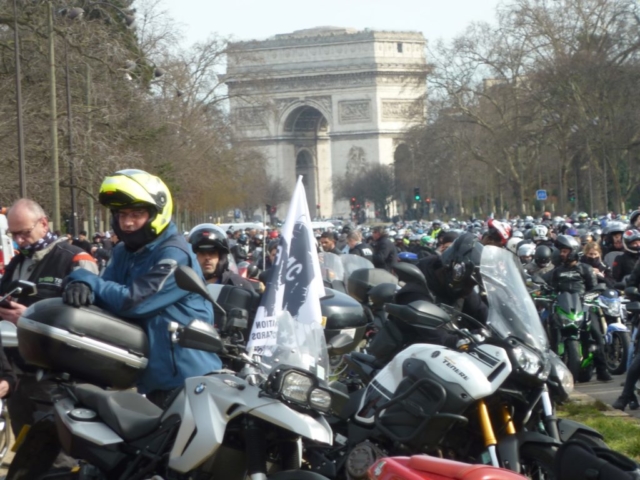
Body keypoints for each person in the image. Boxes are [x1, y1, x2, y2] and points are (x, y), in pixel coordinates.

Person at [61, 169, 221, 406]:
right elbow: (103, 294)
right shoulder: (124, 251)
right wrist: (80, 283)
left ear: (157, 213)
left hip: (190, 383)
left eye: (136, 214)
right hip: (153, 381)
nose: (127, 222)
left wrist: (85, 277)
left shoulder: (175, 254)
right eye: (121, 214)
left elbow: (135, 302)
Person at [0, 198, 98, 463]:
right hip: (19, 377)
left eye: (24, 232)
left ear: (43, 224)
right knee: (27, 457)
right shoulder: (17, 262)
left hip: (58, 382)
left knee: (59, 462)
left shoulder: (75, 259)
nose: (19, 240)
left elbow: (89, 322)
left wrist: (31, 318)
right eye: (13, 234)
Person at [393, 233, 489, 349]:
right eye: (469, 283)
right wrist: (472, 338)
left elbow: (482, 312)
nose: (470, 289)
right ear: (455, 273)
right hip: (410, 352)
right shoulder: (416, 293)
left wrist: (495, 331)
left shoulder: (460, 288)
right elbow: (440, 338)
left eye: (473, 284)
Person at [541, 235, 612, 381]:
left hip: (583, 306)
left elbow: (594, 287)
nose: (562, 254)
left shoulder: (585, 268)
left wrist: (594, 293)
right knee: (550, 331)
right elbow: (548, 287)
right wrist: (541, 290)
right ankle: (550, 368)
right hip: (562, 306)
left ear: (573, 251)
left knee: (597, 336)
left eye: (565, 251)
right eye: (561, 251)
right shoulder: (556, 271)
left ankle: (602, 370)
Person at [188, 223, 255, 292]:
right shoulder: (184, 285)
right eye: (202, 253)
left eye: (212, 253)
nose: (207, 257)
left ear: (221, 257)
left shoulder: (238, 285)